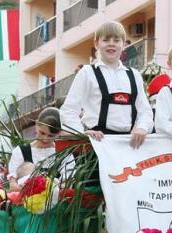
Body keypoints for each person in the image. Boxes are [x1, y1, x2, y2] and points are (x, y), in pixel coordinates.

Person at [59, 21, 153, 150]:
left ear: (124, 44)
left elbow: (145, 111)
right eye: (106, 40)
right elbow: (68, 110)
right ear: (96, 43)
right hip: (97, 146)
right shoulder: (87, 73)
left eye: (116, 40)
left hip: (129, 146)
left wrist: (142, 128)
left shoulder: (134, 75)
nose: (111, 44)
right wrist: (81, 134)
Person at [8, 108, 64, 191]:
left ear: (59, 132)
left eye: (51, 136)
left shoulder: (63, 153)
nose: (45, 139)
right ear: (37, 124)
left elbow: (66, 186)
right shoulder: (20, 152)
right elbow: (13, 187)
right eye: (42, 133)